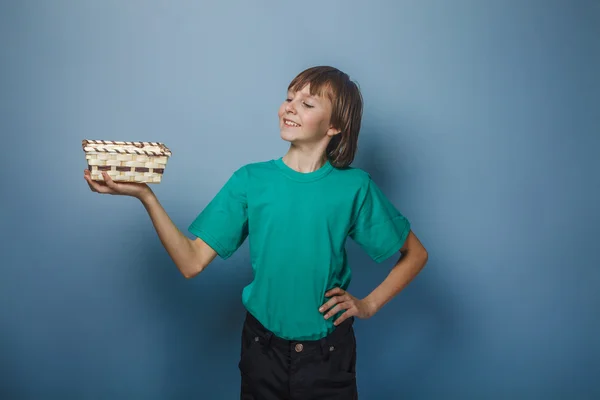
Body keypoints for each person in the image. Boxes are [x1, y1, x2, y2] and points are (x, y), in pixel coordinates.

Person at [84, 65, 428, 399]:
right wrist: (146, 196)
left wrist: (368, 304)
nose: (290, 108)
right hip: (262, 353)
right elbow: (191, 262)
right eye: (289, 98)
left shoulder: (354, 187)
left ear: (335, 125)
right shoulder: (250, 180)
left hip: (329, 358)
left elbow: (416, 254)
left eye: (307, 104)